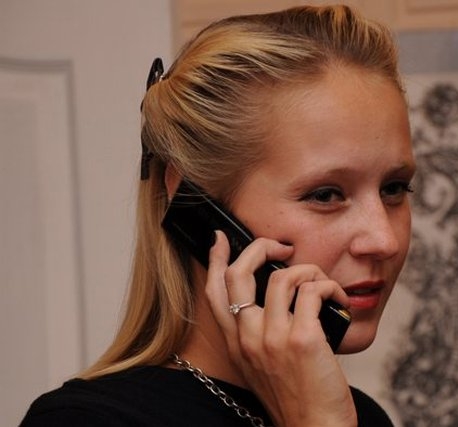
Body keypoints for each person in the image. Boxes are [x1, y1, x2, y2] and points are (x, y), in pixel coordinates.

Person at [20, 4, 415, 426]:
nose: (385, 240)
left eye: (394, 188)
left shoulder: (358, 415)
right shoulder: (81, 421)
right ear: (194, 203)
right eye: (326, 195)